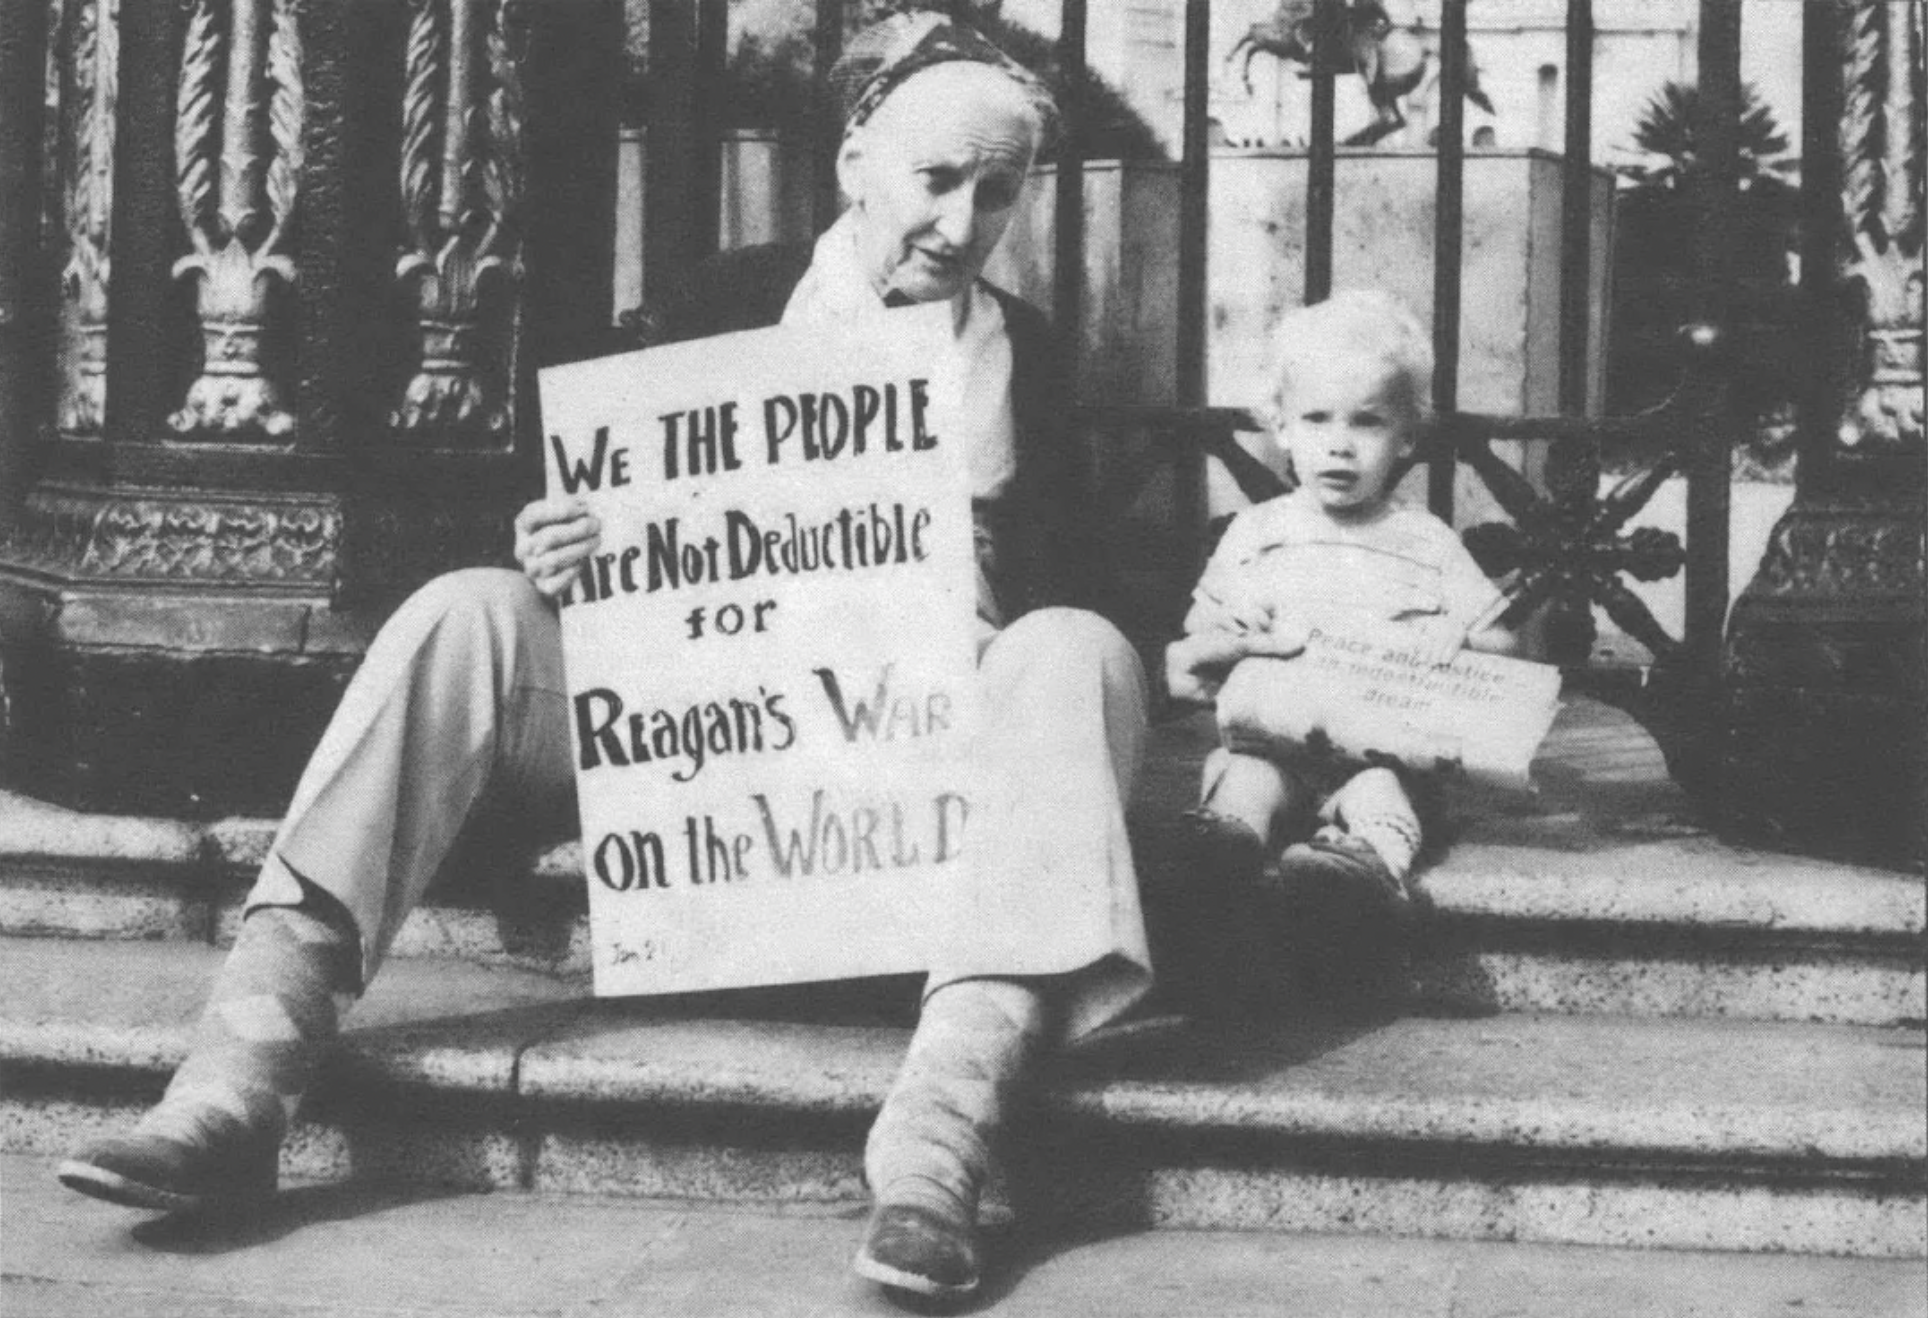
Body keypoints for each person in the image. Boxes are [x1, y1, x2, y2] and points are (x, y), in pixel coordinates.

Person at [58, 13, 1152, 1305]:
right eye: (938, 178)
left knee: (1080, 648)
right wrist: (561, 539)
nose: (964, 221)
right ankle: (234, 1085)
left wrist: (979, 588)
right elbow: (608, 524)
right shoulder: (720, 302)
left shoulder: (1032, 359)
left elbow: (1089, 604)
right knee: (467, 610)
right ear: (859, 156)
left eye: (999, 189)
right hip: (702, 744)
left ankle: (939, 1143)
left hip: (906, 767)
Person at [1164, 290, 1514, 995]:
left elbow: (1498, 642)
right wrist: (1229, 641)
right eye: (1317, 419)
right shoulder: (1256, 533)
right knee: (1246, 787)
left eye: (1368, 422)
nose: (1340, 443)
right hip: (1273, 741)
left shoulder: (1427, 542)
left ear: (1408, 438)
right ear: (1282, 430)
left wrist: (1450, 646)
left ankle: (1359, 876)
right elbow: (1199, 637)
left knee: (1384, 793)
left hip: (1380, 748)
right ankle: (1220, 867)